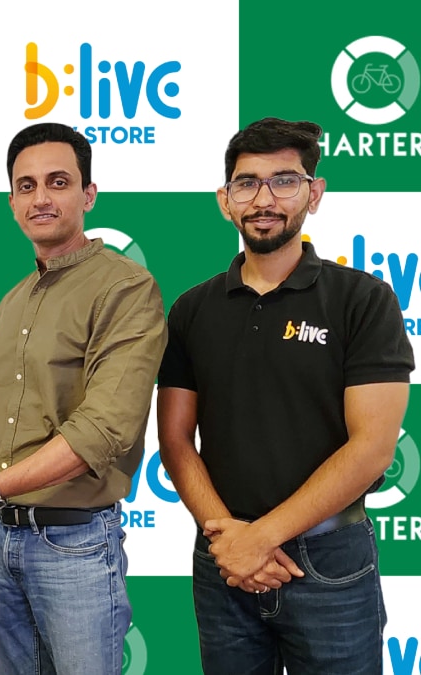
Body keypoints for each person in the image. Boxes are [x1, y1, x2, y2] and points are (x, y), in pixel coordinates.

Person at [0, 122, 166, 674]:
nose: (40, 197)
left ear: (88, 194)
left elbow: (101, 431)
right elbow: (8, 429)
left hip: (74, 542)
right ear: (12, 203)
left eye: (58, 182)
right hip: (2, 540)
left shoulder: (125, 288)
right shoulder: (12, 300)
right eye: (26, 185)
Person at [157, 117, 412, 674]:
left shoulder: (363, 300)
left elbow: (372, 448)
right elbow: (175, 441)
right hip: (222, 560)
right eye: (247, 183)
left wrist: (261, 539)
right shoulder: (192, 309)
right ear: (225, 200)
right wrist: (230, 542)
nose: (264, 199)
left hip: (329, 561)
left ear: (314, 194)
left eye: (285, 181)